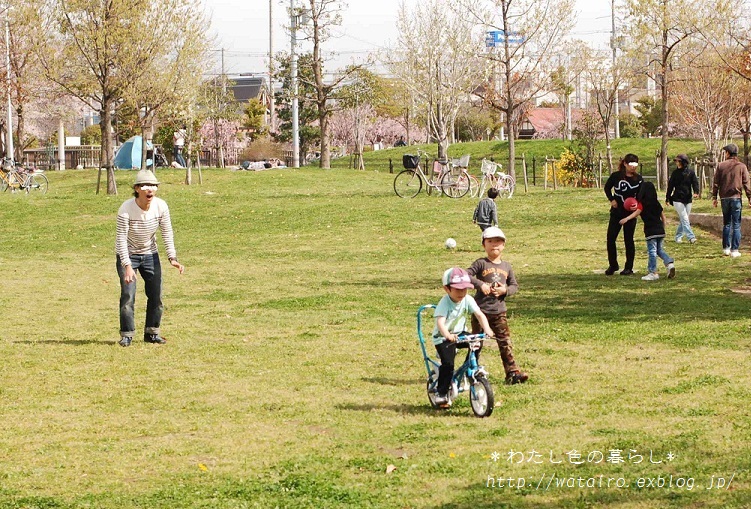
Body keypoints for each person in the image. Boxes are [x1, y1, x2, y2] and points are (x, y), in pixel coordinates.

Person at [115, 169, 185, 347]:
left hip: (150, 254)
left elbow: (167, 232)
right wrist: (127, 265)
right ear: (137, 188)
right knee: (128, 296)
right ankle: (127, 335)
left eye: (153, 186)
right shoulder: (126, 208)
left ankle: (152, 333)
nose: (150, 190)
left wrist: (172, 257)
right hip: (128, 255)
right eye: (145, 186)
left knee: (156, 295)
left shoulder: (161, 206)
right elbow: (121, 239)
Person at [467, 227, 528, 385]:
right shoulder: (481, 263)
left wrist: (505, 290)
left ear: (504, 245)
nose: (494, 244)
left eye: (498, 241)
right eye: (490, 241)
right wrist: (480, 285)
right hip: (480, 311)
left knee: (505, 341)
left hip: (499, 311)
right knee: (476, 342)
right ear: (484, 245)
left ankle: (512, 373)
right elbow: (466, 274)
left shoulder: (506, 266)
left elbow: (514, 286)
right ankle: (470, 370)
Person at [432, 267, 495, 407]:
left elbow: (479, 315)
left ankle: (470, 367)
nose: (462, 293)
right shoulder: (445, 302)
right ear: (447, 289)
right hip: (443, 337)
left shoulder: (468, 299)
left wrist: (487, 330)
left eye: (465, 289)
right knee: (448, 364)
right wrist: (447, 335)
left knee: (477, 341)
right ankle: (441, 393)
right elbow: (440, 323)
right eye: (458, 289)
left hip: (460, 333)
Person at [620, 182, 675, 281]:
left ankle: (652, 272)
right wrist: (663, 228)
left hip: (651, 230)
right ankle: (669, 263)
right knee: (659, 250)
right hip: (660, 230)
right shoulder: (656, 202)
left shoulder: (643, 203)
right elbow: (663, 217)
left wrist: (626, 219)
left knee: (652, 251)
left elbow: (636, 213)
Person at [604, 154, 644, 275]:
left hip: (630, 214)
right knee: (611, 238)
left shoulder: (639, 179)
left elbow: (642, 195)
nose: (633, 168)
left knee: (628, 240)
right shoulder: (616, 176)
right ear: (625, 164)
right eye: (631, 165)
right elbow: (607, 188)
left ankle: (628, 267)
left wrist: (637, 204)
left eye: (635, 165)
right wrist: (612, 199)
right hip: (616, 212)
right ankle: (613, 265)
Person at [711, 143, 751, 257]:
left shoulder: (720, 166)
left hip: (724, 198)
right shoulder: (741, 166)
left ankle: (726, 248)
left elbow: (716, 183)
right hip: (736, 198)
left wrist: (714, 197)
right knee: (737, 224)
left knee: (727, 223)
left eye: (725, 152)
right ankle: (735, 250)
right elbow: (746, 183)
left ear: (728, 153)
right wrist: (750, 197)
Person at [666, 154, 700, 244]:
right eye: (676, 161)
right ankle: (691, 237)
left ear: (683, 162)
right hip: (677, 199)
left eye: (678, 161)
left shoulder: (691, 173)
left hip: (688, 198)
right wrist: (667, 198)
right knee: (684, 218)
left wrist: (696, 192)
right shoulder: (675, 173)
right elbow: (670, 186)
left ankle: (678, 236)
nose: (676, 162)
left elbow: (695, 183)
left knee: (684, 219)